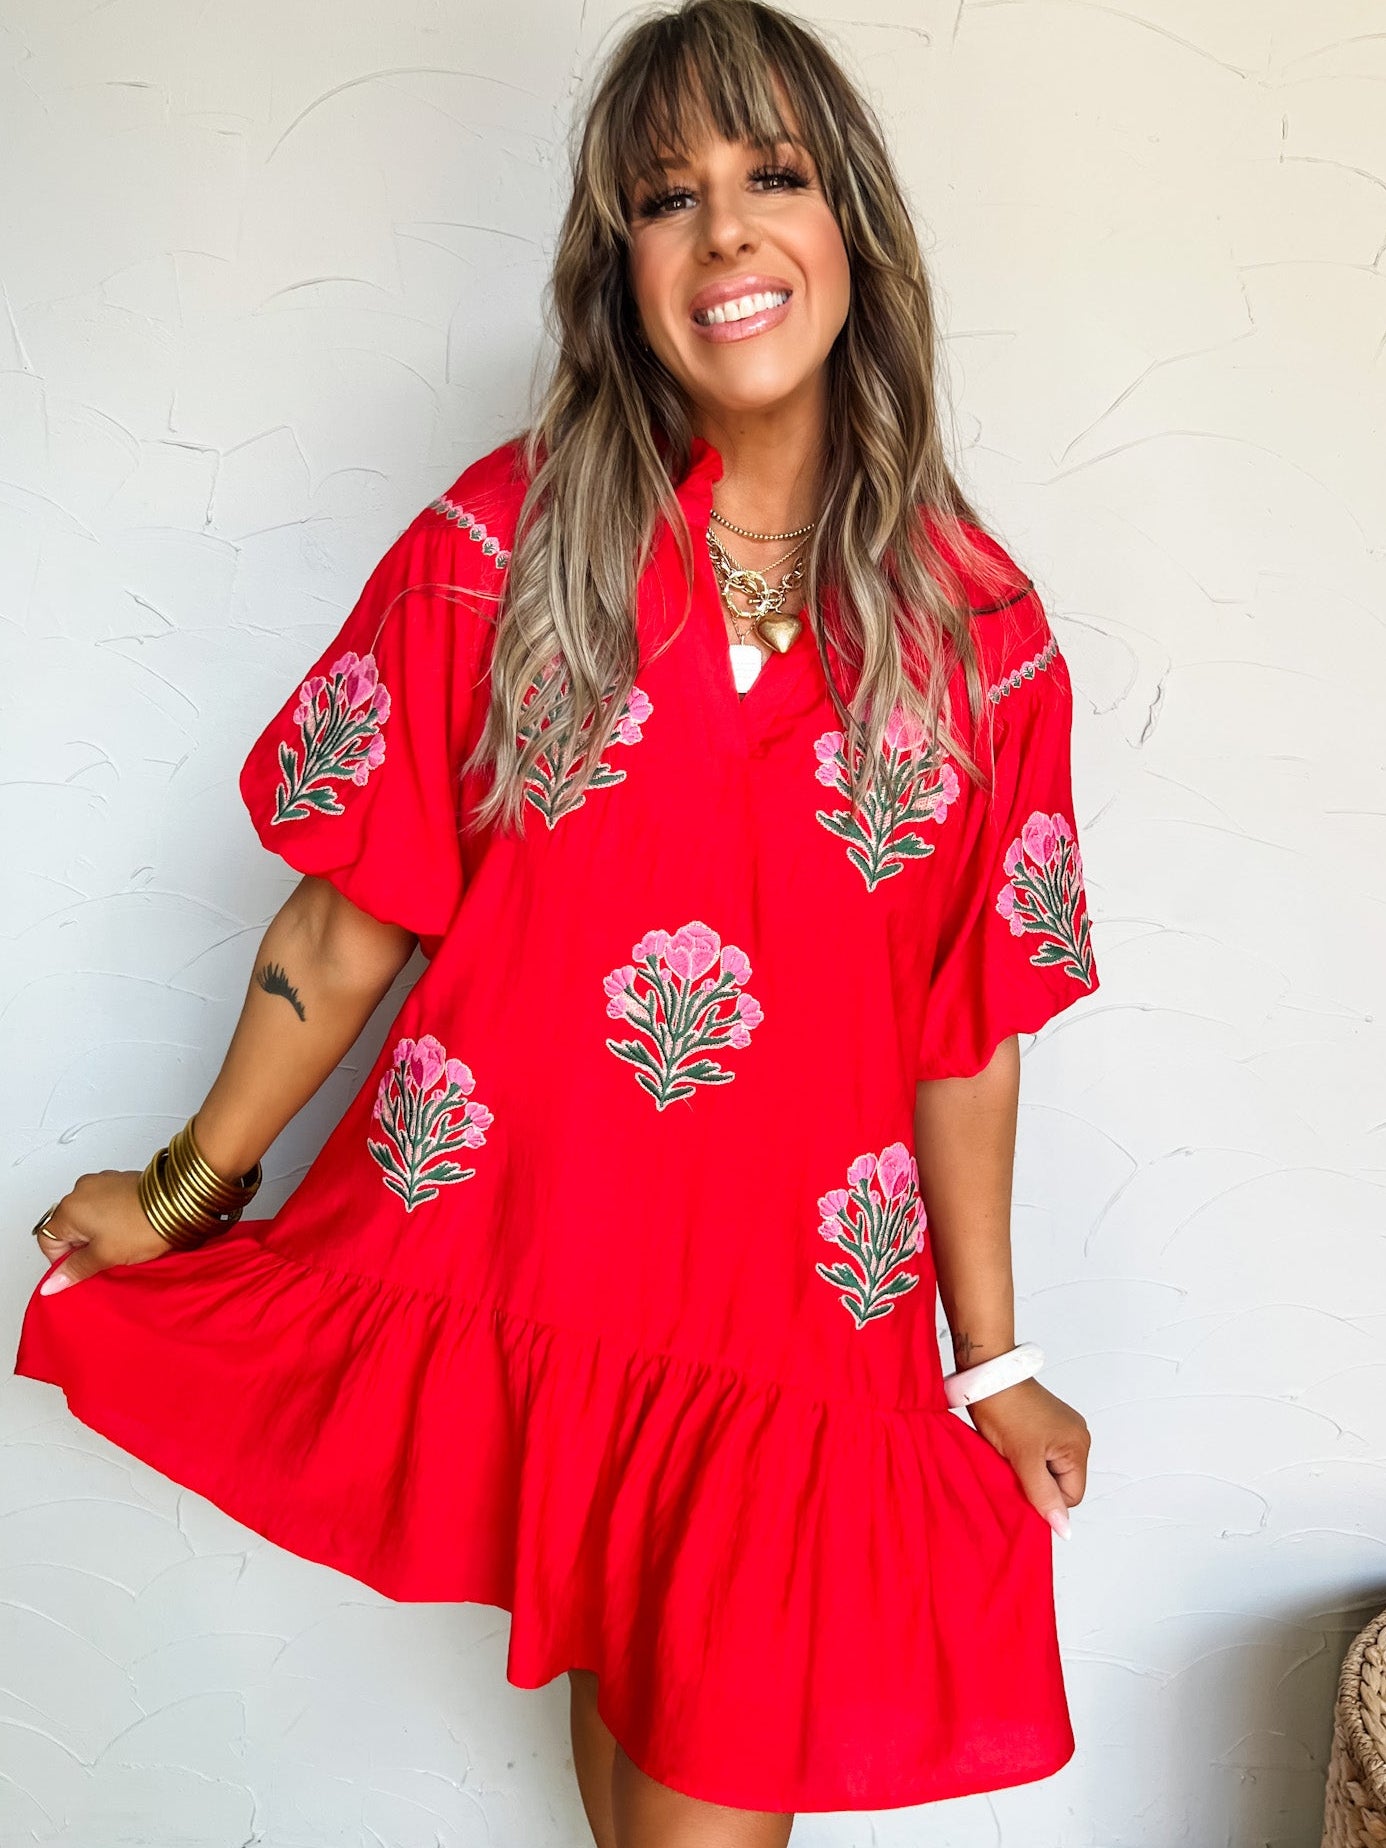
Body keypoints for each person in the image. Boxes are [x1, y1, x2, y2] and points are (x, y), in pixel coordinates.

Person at [14, 1, 1102, 1842]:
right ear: (621, 272)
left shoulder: (979, 637)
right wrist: (188, 1191)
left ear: (856, 229)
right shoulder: (497, 551)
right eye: (667, 199)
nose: (729, 234)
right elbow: (345, 923)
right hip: (536, 1297)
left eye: (774, 177)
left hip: (788, 1355)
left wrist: (985, 1355)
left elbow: (965, 1025)